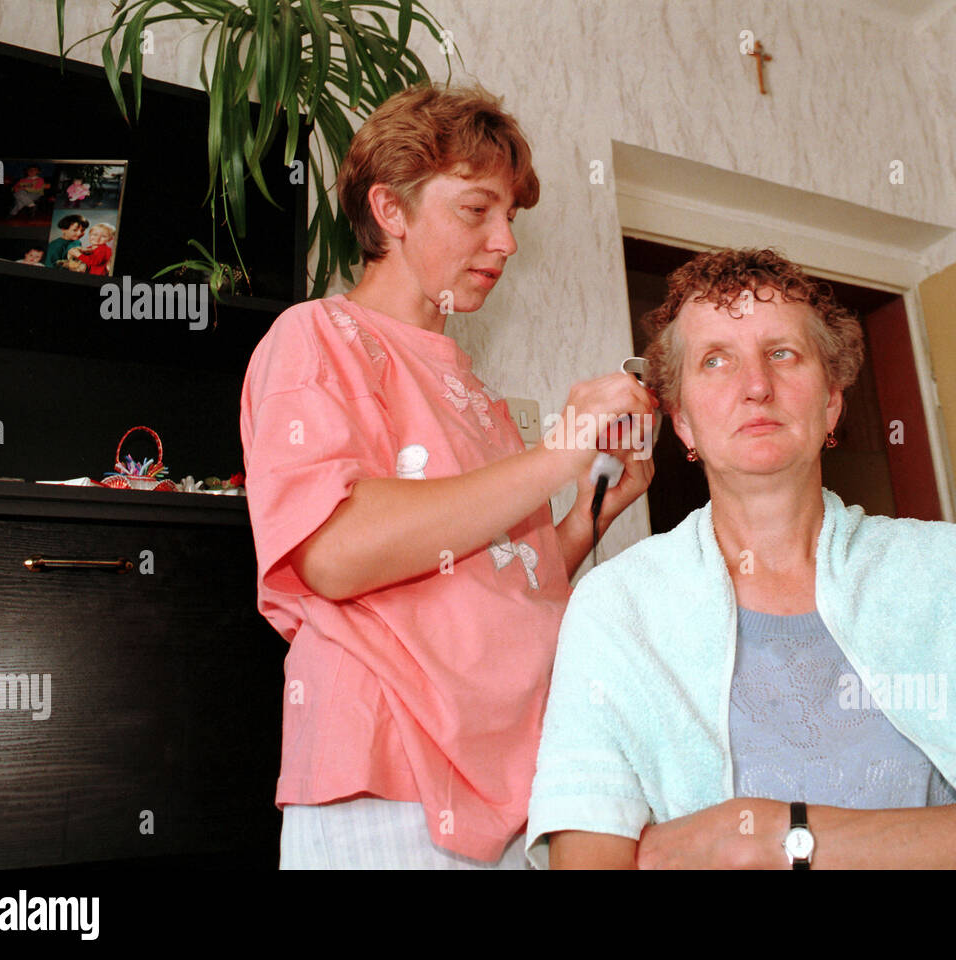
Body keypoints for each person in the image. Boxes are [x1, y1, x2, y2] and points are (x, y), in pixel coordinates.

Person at [526, 247, 956, 869]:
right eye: (716, 361)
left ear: (832, 400)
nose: (757, 385)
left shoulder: (950, 570)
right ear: (684, 424)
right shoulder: (617, 608)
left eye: (783, 353)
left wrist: (777, 836)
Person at [239, 84, 655, 869]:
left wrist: (587, 517)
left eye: (511, 218)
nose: (506, 242)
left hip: (522, 784)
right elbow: (331, 551)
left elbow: (504, 585)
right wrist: (558, 452)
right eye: (476, 211)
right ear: (391, 211)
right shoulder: (315, 337)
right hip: (392, 777)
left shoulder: (483, 399)